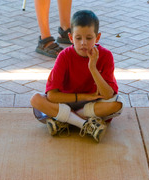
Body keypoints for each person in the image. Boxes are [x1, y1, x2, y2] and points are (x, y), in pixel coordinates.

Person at [31, 10, 124, 142]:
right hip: (66, 101)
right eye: (78, 38)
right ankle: (84, 124)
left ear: (97, 37)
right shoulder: (64, 56)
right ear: (70, 37)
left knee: (118, 104)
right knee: (36, 99)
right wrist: (83, 96)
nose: (83, 43)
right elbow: (52, 95)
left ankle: (64, 120)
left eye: (89, 38)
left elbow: (109, 95)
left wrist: (92, 67)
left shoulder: (106, 55)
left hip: (91, 105)